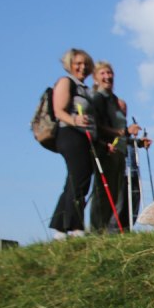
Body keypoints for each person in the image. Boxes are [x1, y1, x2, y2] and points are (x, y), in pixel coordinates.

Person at [89, 61, 152, 233]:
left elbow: (121, 135)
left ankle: (112, 232)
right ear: (95, 78)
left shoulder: (116, 102)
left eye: (109, 73)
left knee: (118, 194)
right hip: (105, 151)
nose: (107, 76)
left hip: (120, 153)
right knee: (103, 193)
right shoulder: (97, 99)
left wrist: (138, 142)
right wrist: (124, 131)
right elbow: (98, 127)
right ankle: (97, 232)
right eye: (102, 73)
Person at [49, 48, 97, 241]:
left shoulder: (84, 89)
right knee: (79, 179)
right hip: (69, 134)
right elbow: (59, 110)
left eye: (85, 64)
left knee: (75, 180)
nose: (82, 67)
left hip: (82, 137)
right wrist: (76, 121)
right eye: (78, 63)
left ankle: (60, 228)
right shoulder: (65, 82)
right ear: (69, 65)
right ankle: (75, 226)